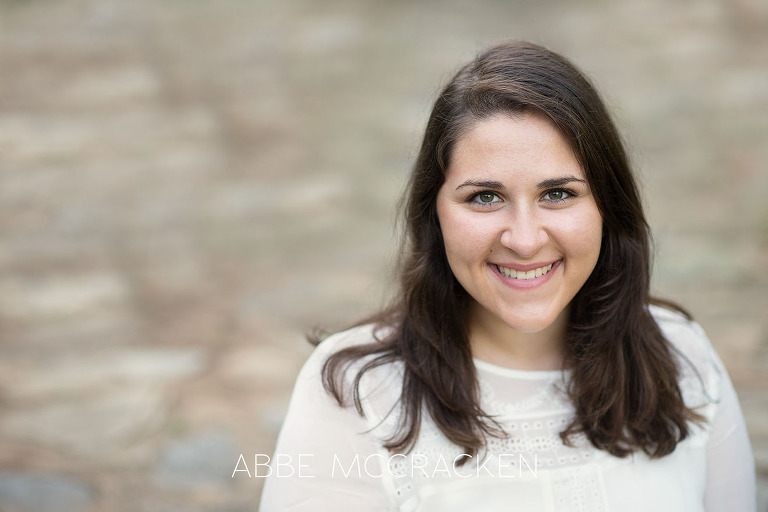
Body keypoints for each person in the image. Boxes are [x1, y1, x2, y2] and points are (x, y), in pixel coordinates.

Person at [258, 41, 755, 511]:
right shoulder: (355, 397)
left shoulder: (684, 361)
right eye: (485, 197)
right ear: (435, 213)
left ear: (608, 206)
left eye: (558, 193)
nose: (524, 239)